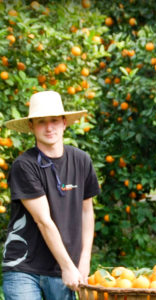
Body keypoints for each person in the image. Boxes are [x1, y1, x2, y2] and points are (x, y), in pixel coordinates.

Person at [2, 91, 100, 300]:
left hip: (63, 267)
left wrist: (83, 262)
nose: (49, 127)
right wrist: (68, 266)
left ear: (64, 123)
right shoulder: (24, 165)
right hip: (24, 268)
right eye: (41, 122)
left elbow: (87, 212)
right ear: (31, 126)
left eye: (54, 120)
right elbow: (43, 220)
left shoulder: (82, 161)